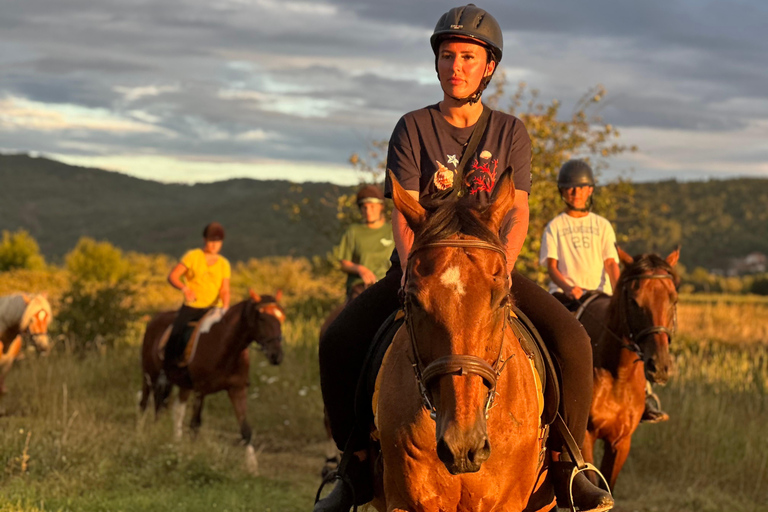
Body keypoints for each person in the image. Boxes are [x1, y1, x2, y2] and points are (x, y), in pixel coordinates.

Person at [315, 5, 613, 512]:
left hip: (490, 271)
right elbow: (403, 212)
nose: (457, 66)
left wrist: (501, 270)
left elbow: (516, 213)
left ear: (488, 67)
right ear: (437, 64)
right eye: (448, 56)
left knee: (574, 340)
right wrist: (412, 273)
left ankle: (568, 463)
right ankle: (355, 465)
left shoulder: (511, 132)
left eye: (468, 58)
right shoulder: (412, 128)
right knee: (339, 340)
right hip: (423, 269)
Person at [541, 161, 668, 423]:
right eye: (570, 189)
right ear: (562, 192)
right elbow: (552, 267)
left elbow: (611, 262)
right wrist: (567, 286)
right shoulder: (555, 226)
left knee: (632, 336)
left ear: (590, 191)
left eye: (581, 188)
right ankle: (549, 391)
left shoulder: (602, 225)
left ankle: (644, 395)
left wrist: (619, 290)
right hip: (567, 296)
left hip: (600, 295)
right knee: (551, 340)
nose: (576, 193)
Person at [164, 222, 231, 366]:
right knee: (177, 333)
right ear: (205, 240)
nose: (214, 245)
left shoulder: (224, 264)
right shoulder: (193, 256)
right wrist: (184, 288)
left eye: (217, 242)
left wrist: (225, 308)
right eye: (211, 241)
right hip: (193, 307)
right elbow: (173, 276)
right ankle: (168, 368)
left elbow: (225, 289)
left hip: (214, 309)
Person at [336, 185, 394, 301]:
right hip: (360, 287)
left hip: (388, 284)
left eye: (372, 206)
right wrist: (361, 269)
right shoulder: (353, 231)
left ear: (381, 207)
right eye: (364, 207)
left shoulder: (392, 231)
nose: (368, 211)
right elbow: (344, 263)